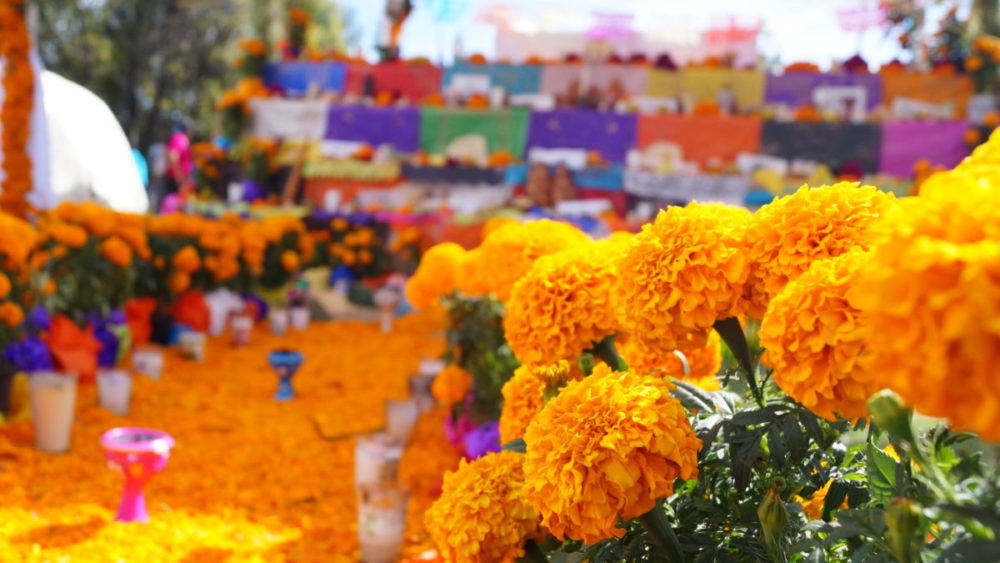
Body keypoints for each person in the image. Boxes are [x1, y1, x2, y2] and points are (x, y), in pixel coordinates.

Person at [164, 122, 193, 200]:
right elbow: (173, 157)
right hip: (175, 178)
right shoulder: (179, 139)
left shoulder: (178, 139)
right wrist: (179, 177)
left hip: (178, 177)